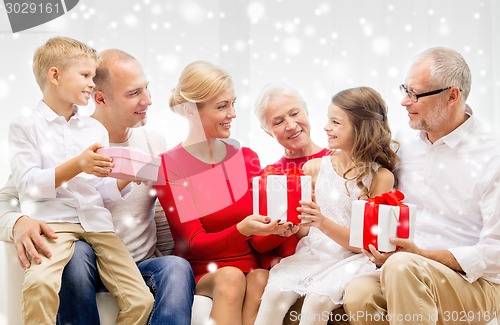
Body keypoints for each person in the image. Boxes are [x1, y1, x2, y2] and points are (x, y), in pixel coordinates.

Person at [1, 48, 195, 324]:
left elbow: (160, 216)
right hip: (83, 261)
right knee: (78, 254)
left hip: (132, 263)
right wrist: (18, 221)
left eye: (146, 89)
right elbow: (13, 194)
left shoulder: (153, 142)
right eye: (134, 93)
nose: (148, 101)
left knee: (176, 268)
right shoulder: (57, 136)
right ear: (100, 98)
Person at [343, 47, 500, 324]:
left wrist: (424, 256)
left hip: (477, 284)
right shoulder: (404, 141)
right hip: (406, 270)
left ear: (452, 96)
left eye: (415, 94)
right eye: (405, 89)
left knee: (403, 268)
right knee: (359, 293)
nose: (404, 101)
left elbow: (495, 253)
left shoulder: (492, 155)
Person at [154, 60, 295, 325]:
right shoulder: (168, 167)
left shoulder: (247, 158)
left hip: (251, 266)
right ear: (191, 110)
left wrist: (277, 229)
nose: (232, 113)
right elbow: (194, 243)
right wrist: (242, 230)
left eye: (233, 103)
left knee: (261, 278)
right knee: (231, 277)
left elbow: (258, 241)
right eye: (222, 107)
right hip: (203, 270)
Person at [254, 86, 399, 325]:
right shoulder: (314, 168)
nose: (326, 127)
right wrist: (294, 227)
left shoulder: (381, 178)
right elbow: (307, 229)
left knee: (316, 302)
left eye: (335, 122)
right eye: (327, 119)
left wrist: (321, 221)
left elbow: (364, 243)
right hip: (315, 252)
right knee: (274, 293)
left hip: (353, 258)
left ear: (360, 128)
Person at [253, 82, 332, 270]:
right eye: (278, 122)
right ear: (268, 132)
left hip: (335, 263)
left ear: (306, 112)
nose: (291, 125)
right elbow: (258, 243)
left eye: (295, 113)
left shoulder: (338, 161)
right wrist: (280, 235)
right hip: (289, 271)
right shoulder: (269, 176)